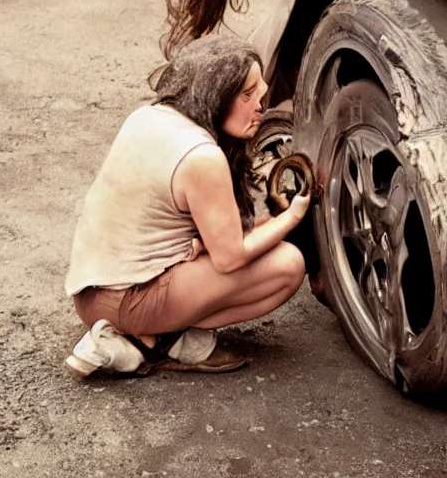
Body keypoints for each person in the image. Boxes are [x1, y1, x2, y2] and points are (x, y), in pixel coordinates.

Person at [65, 35, 310, 377]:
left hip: (87, 297)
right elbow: (231, 257)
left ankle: (142, 337)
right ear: (215, 94)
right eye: (246, 95)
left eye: (260, 92)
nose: (260, 105)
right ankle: (157, 340)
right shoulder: (202, 156)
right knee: (288, 265)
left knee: (216, 251)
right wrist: (292, 216)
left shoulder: (147, 116)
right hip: (128, 301)